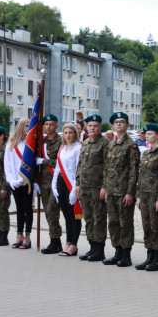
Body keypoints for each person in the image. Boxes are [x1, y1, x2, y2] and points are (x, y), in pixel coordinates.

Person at [102, 112, 140, 268]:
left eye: (122, 122)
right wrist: (104, 187)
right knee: (113, 223)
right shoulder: (111, 144)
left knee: (126, 223)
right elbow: (107, 168)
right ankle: (117, 252)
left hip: (124, 192)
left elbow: (133, 170)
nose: (119, 124)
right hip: (111, 191)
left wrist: (130, 192)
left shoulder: (131, 145)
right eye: (116, 122)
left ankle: (126, 255)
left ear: (127, 125)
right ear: (113, 126)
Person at [135, 123, 158, 271]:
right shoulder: (146, 153)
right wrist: (138, 196)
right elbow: (141, 175)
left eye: (150, 134)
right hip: (144, 195)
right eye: (146, 134)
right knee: (147, 226)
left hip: (155, 195)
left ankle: (157, 259)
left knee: (157, 227)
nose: (147, 136)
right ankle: (149, 255)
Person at [76, 114, 110, 262]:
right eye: (90, 126)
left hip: (97, 188)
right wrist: (77, 183)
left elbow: (109, 167)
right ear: (86, 127)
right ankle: (92, 247)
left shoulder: (105, 143)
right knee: (89, 218)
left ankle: (99, 249)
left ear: (100, 127)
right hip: (84, 187)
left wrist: (105, 187)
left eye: (95, 126)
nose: (92, 128)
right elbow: (80, 165)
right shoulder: (85, 143)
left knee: (99, 219)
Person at [52, 123, 82, 257]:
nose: (68, 135)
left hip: (72, 184)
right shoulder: (62, 148)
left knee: (74, 216)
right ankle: (68, 242)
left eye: (71, 132)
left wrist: (74, 190)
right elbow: (58, 168)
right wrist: (54, 184)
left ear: (75, 134)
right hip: (61, 182)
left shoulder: (78, 148)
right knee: (66, 216)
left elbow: (78, 170)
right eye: (66, 133)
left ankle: (74, 244)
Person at [4, 120, 34, 249]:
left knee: (28, 209)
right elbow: (8, 164)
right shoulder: (11, 143)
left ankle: (27, 236)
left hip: (27, 181)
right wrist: (11, 180)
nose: (29, 128)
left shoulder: (32, 142)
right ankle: (19, 234)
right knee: (19, 209)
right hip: (15, 181)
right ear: (21, 127)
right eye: (27, 126)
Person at [38, 114, 64, 254]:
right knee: (48, 214)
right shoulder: (41, 142)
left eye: (52, 124)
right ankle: (55, 242)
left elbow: (61, 163)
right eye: (46, 124)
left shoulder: (61, 141)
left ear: (57, 126)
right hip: (43, 183)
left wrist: (44, 161)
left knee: (52, 211)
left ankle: (56, 241)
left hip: (57, 182)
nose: (49, 127)